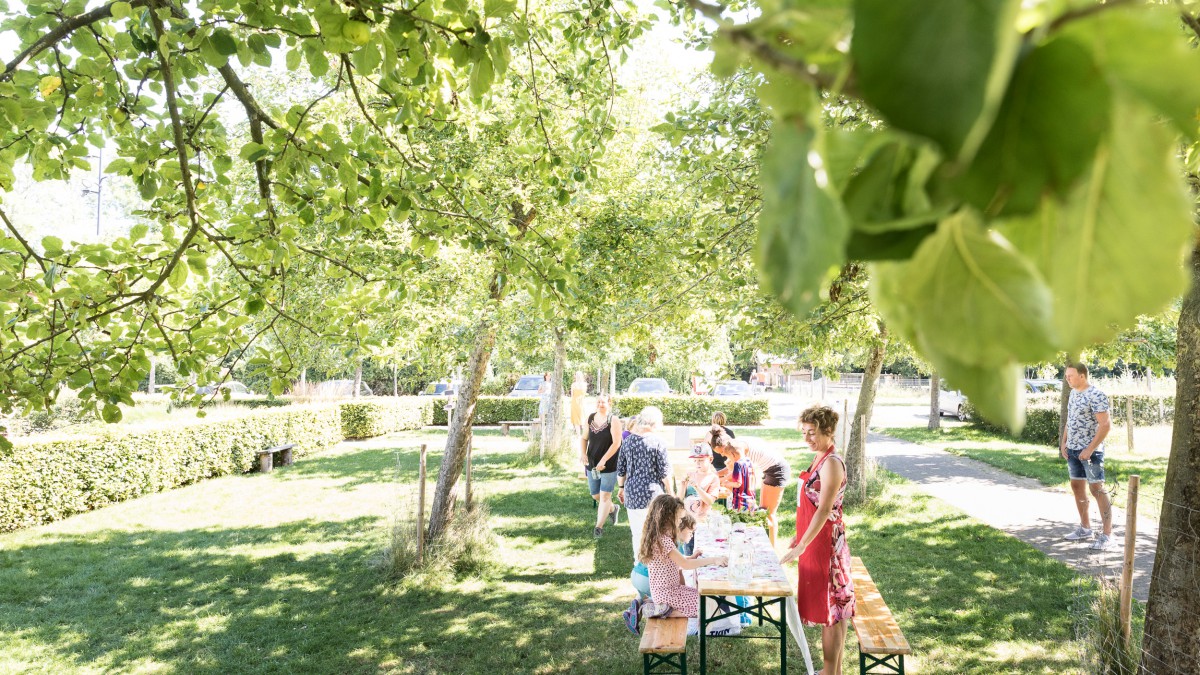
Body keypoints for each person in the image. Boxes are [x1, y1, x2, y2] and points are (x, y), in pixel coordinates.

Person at [779, 404, 855, 675]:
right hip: (816, 541)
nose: (807, 438)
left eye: (812, 432)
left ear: (828, 431)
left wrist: (803, 544)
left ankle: (828, 671)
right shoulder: (819, 458)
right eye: (804, 432)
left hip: (827, 547)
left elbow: (824, 510)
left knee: (831, 614)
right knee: (833, 612)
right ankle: (833, 671)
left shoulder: (832, 463)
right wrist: (798, 536)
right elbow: (811, 506)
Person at [639, 494, 727, 620]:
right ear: (668, 518)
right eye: (679, 519)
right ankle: (661, 611)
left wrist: (691, 557)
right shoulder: (664, 541)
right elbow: (685, 564)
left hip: (668, 592)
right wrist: (714, 560)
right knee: (707, 607)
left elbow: (676, 562)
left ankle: (658, 608)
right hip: (668, 595)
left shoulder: (660, 538)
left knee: (706, 599)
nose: (680, 522)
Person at [1061, 362, 1114, 551]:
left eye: (1070, 376)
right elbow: (1071, 419)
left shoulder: (1096, 395)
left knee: (1097, 488)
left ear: (1082, 376)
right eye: (1066, 375)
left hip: (1091, 452)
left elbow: (1105, 425)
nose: (1067, 379)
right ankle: (1085, 528)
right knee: (1076, 487)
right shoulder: (1074, 393)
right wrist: (1064, 442)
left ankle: (1107, 535)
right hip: (1073, 450)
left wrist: (1090, 449)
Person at [710, 428, 791, 544]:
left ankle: (772, 550)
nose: (722, 455)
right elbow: (731, 470)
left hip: (777, 470)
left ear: (727, 447)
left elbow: (737, 474)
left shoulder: (740, 450)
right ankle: (763, 544)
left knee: (767, 514)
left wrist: (721, 480)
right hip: (769, 470)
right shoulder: (736, 445)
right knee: (762, 511)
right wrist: (716, 476)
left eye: (722, 452)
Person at [617, 406, 671, 562]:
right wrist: (672, 493)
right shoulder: (658, 442)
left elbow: (621, 470)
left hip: (632, 493)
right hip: (653, 495)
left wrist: (621, 488)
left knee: (637, 533)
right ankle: (656, 566)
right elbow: (664, 473)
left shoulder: (628, 442)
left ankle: (639, 566)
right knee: (656, 533)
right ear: (654, 424)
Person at [581, 395, 623, 538]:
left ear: (609, 403)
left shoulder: (613, 420)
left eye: (603, 402)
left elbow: (617, 443)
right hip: (592, 464)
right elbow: (584, 438)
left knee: (605, 495)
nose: (600, 404)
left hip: (609, 465)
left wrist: (604, 460)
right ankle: (613, 508)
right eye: (598, 402)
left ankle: (598, 528)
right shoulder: (591, 418)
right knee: (596, 495)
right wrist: (583, 454)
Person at [678, 443, 720, 522]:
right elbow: (679, 499)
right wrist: (682, 485)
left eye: (701, 460)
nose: (697, 463)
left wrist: (697, 487)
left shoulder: (713, 478)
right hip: (686, 518)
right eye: (695, 460)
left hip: (702, 520)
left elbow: (710, 501)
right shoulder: (689, 475)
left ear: (710, 459)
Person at [710, 411, 734, 476]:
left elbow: (704, 446)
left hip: (715, 464)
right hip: (728, 462)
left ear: (713, 420)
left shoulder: (711, 433)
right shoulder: (730, 432)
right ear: (724, 419)